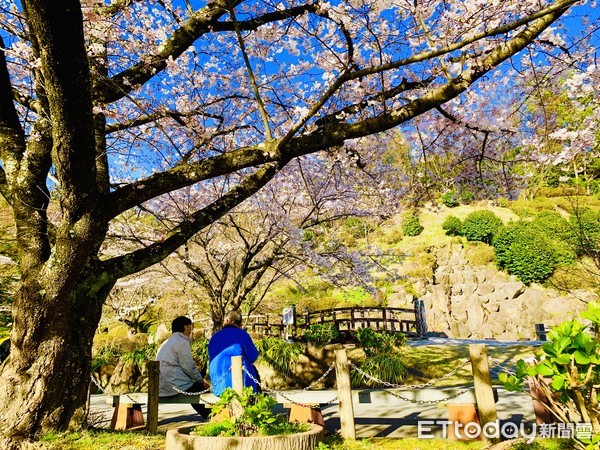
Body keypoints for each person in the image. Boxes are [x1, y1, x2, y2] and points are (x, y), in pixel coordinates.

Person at [156, 316, 209, 417]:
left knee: (194, 389)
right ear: (185, 327)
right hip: (174, 384)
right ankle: (211, 417)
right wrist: (201, 381)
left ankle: (209, 417)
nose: (191, 330)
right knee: (202, 390)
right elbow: (188, 366)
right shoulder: (181, 342)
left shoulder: (166, 342)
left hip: (162, 386)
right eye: (189, 327)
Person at [208, 310, 260, 396]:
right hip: (242, 385)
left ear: (226, 321)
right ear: (240, 324)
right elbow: (253, 356)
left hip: (218, 385)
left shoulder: (215, 337)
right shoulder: (242, 335)